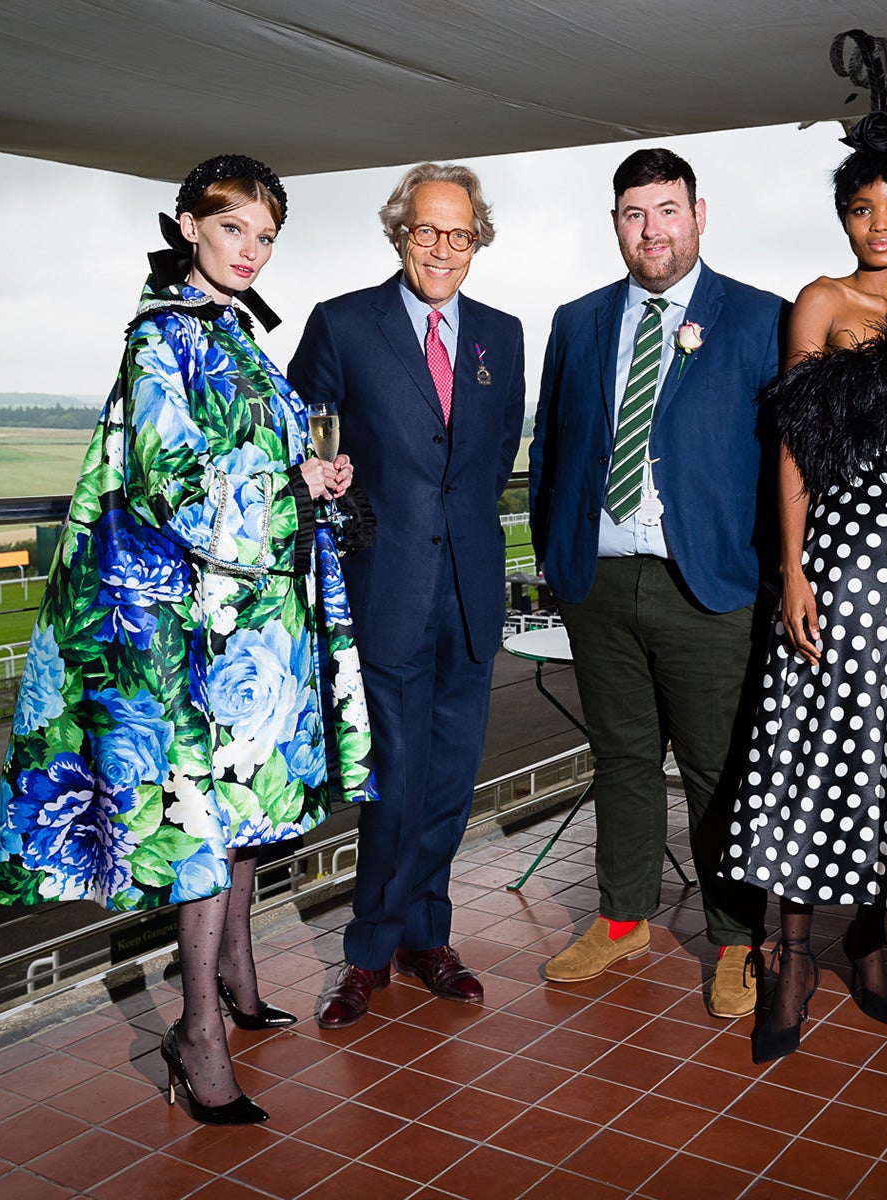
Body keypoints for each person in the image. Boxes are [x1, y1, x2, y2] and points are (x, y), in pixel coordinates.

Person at [0, 155, 372, 1125]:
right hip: (198, 628)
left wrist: (315, 478)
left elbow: (262, 457)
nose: (253, 250)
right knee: (205, 826)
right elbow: (169, 481)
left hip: (259, 614)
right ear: (190, 227)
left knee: (246, 810)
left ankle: (237, 978)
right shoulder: (162, 339)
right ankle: (196, 1030)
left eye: (267, 235)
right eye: (236, 228)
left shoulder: (235, 333)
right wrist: (295, 484)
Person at [722, 23, 887, 1063]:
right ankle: (787, 965)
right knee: (811, 757)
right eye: (862, 207)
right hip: (838, 557)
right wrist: (791, 568)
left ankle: (875, 946)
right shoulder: (821, 304)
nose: (880, 222)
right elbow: (792, 445)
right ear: (845, 216)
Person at [529, 148, 785, 1018]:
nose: (653, 231)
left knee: (719, 768)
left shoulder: (759, 319)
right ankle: (621, 917)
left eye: (668, 211)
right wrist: (559, 565)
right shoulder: (577, 321)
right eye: (636, 215)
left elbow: (784, 465)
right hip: (597, 582)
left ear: (699, 214)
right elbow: (554, 451)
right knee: (624, 759)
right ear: (616, 224)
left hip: (709, 585)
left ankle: (738, 938)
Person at [291, 163, 525, 1028]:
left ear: (477, 242)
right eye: (425, 230)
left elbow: (491, 462)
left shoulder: (503, 334)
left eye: (458, 234)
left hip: (467, 594)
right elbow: (297, 441)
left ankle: (429, 936)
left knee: (450, 785)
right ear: (398, 233)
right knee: (393, 782)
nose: (441, 249)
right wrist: (340, 493)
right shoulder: (343, 324)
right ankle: (367, 951)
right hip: (384, 590)